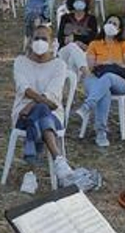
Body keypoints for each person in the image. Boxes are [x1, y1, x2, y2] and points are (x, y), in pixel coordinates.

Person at [11, 25, 77, 185]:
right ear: (30, 41)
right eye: (36, 38)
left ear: (51, 42)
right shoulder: (20, 62)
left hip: (50, 116)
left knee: (40, 112)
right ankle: (58, 160)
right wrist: (40, 103)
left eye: (44, 38)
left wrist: (32, 105)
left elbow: (53, 93)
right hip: (22, 115)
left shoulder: (59, 65)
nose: (40, 42)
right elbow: (23, 87)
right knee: (42, 109)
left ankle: (31, 173)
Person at [79, 17, 125, 148]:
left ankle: (88, 105)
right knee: (104, 91)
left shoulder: (123, 44)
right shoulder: (94, 44)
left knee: (108, 77)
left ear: (119, 29)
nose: (111, 25)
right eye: (109, 22)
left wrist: (113, 63)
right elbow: (91, 66)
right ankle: (101, 133)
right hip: (96, 77)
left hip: (119, 81)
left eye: (115, 24)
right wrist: (103, 62)